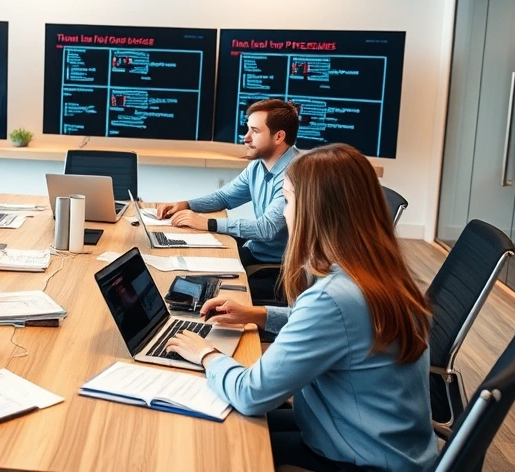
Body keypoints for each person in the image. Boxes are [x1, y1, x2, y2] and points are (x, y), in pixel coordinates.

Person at [166, 144, 436, 472]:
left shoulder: (332, 297)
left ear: (314, 209)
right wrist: (258, 314)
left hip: (359, 459)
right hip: (384, 445)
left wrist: (205, 354)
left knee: (213, 451)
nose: (283, 212)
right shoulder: (378, 273)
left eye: (289, 199)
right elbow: (343, 327)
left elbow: (251, 394)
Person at [156, 99, 299, 300]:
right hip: (255, 250)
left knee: (205, 294)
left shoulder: (295, 175)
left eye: (255, 131)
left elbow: (266, 229)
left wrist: (208, 223)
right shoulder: (258, 166)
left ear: (279, 137)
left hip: (280, 270)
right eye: (247, 129)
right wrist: (186, 204)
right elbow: (224, 197)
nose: (246, 137)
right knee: (191, 271)